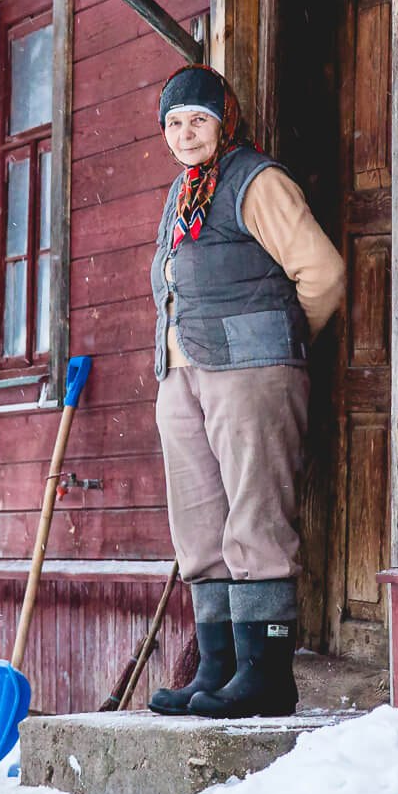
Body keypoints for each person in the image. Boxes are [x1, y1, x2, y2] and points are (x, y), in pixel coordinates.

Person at [144, 64, 346, 719]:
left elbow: (322, 272)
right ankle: (218, 671)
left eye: (198, 119)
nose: (185, 133)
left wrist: (277, 345)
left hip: (251, 372)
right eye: (174, 123)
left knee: (256, 517)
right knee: (200, 526)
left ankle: (265, 673)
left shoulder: (256, 181)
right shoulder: (181, 194)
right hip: (184, 374)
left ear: (224, 120)